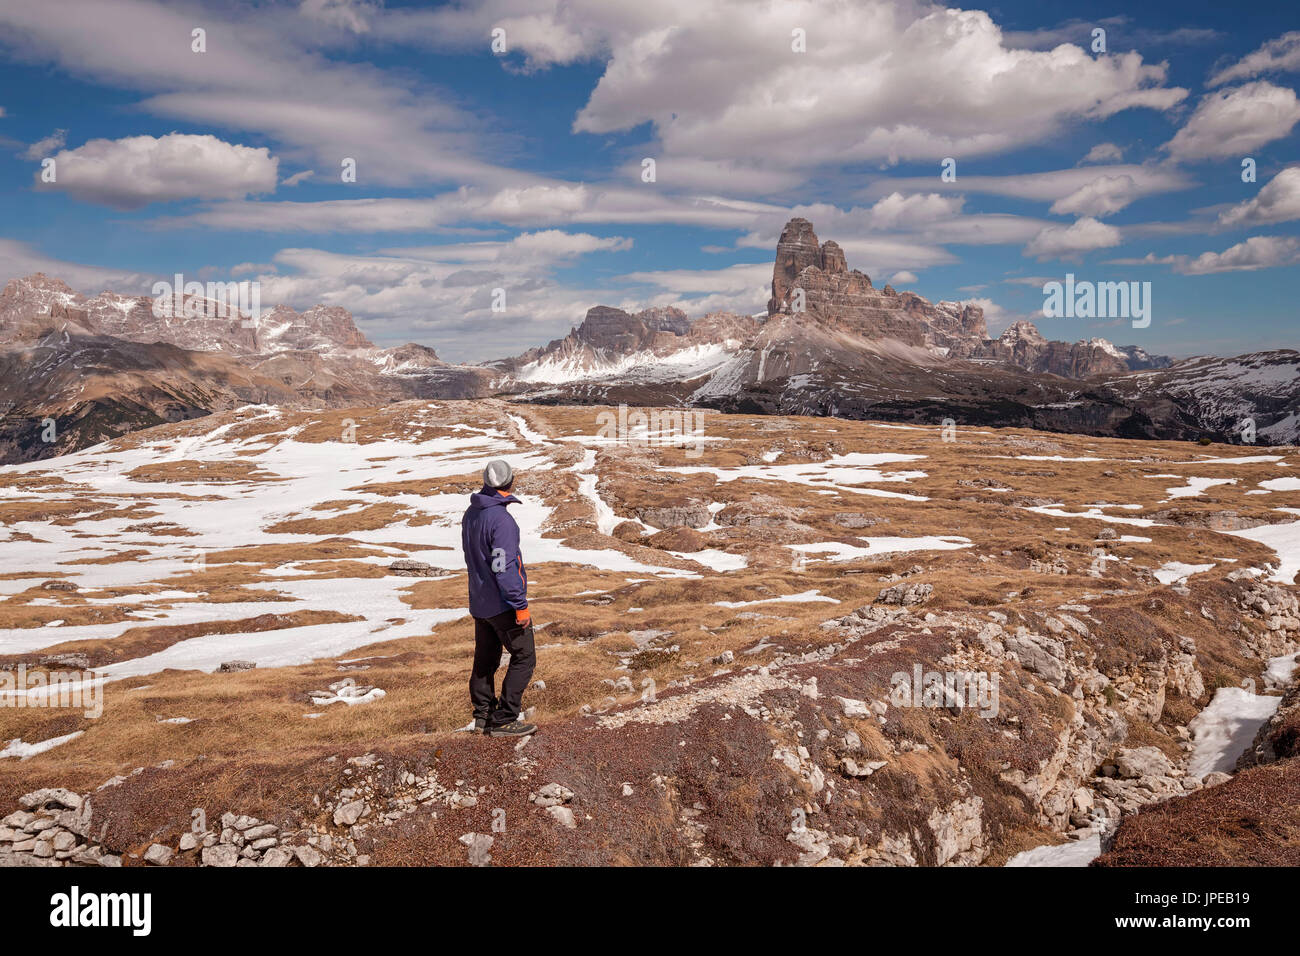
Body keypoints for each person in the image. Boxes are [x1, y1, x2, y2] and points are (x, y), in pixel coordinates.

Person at [460, 459, 537, 736]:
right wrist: (519, 605)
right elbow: (503, 566)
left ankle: (483, 716)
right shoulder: (501, 520)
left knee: (485, 659)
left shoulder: (472, 513)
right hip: (502, 604)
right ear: (510, 482)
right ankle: (505, 718)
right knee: (525, 656)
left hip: (480, 602)